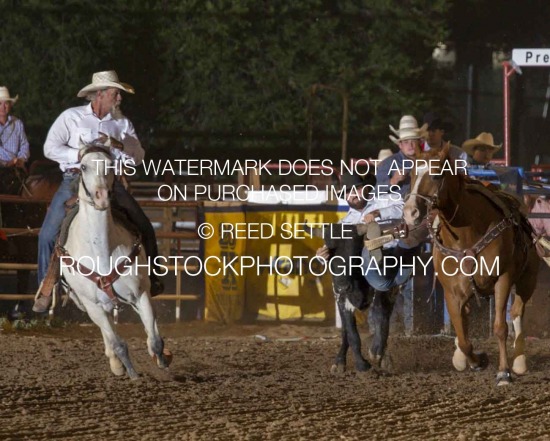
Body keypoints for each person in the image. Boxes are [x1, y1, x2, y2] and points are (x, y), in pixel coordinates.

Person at [33, 70, 163, 313]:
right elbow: (50, 148)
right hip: (76, 179)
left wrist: (120, 145)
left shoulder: (122, 124)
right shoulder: (70, 118)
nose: (119, 99)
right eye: (116, 93)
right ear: (100, 94)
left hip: (109, 181)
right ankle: (47, 285)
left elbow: (139, 157)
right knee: (48, 235)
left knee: (144, 226)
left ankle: (152, 278)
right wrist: (79, 155)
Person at [376, 115, 426, 197]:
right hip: (396, 207)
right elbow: (372, 191)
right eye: (406, 142)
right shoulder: (388, 163)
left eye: (413, 140)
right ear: (400, 145)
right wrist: (392, 181)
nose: (410, 145)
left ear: (419, 142)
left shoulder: (427, 162)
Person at [0, 86, 30, 168]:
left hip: (15, 168)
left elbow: (24, 145)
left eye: (6, 103)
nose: (3, 107)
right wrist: (6, 163)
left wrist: (20, 160)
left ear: (10, 105)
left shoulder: (17, 123)